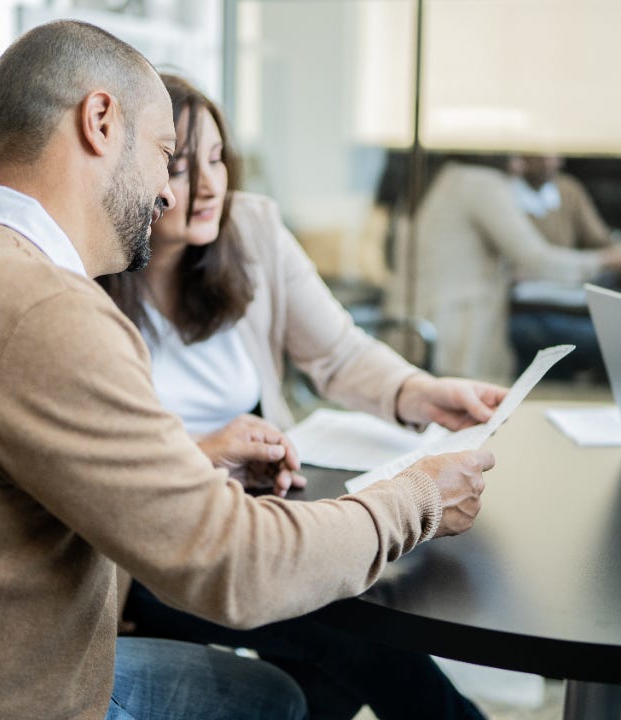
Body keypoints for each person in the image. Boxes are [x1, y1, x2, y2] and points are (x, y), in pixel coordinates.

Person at [0, 21, 495, 720]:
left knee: (272, 695)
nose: (168, 193)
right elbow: (237, 571)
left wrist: (191, 467)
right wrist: (419, 498)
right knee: (283, 697)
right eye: (165, 153)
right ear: (101, 121)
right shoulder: (43, 308)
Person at [99, 73, 506, 720]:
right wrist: (204, 450)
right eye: (178, 167)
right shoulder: (84, 288)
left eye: (217, 160)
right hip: (159, 543)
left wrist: (421, 393)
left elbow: (338, 352)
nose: (207, 188)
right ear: (129, 170)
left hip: (265, 513)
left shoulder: (252, 230)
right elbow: (103, 469)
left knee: (347, 634)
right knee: (354, 635)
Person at [388, 158, 621, 382]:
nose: (518, 165)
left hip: (415, 324)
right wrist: (609, 261)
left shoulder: (436, 175)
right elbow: (537, 259)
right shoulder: (479, 182)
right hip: (457, 332)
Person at [504, 153, 621, 379]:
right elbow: (535, 260)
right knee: (606, 342)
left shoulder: (567, 190)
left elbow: (601, 239)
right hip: (523, 308)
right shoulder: (505, 193)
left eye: (555, 157)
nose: (550, 164)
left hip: (567, 303)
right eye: (542, 156)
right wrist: (602, 260)